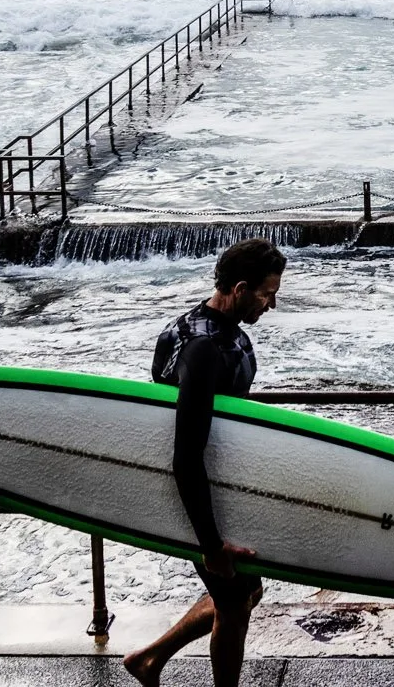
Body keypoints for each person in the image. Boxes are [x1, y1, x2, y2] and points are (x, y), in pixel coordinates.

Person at [123, 237, 286, 687]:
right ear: (239, 287)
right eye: (267, 293)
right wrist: (211, 545)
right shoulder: (204, 349)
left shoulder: (192, 327)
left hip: (215, 487)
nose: (272, 304)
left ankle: (150, 658)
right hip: (199, 493)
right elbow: (186, 452)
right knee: (234, 604)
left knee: (246, 592)